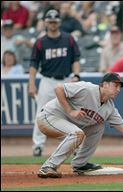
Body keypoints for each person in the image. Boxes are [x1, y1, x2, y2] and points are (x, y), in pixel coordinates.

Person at [36, 72, 123, 178]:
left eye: (120, 86)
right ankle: (48, 167)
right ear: (104, 84)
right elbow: (58, 88)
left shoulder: (110, 108)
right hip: (49, 117)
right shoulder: (87, 89)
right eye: (116, 85)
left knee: (98, 126)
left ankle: (80, 164)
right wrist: (70, 111)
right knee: (77, 133)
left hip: (67, 124)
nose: (118, 89)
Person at [28, 9, 81, 157]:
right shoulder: (40, 42)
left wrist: (76, 75)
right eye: (50, 21)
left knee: (69, 113)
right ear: (45, 22)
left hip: (65, 80)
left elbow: (76, 58)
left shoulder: (68, 39)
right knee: (41, 113)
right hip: (47, 80)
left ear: (59, 22)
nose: (52, 24)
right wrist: (31, 83)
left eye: (55, 21)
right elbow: (33, 64)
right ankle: (38, 145)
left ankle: (73, 144)